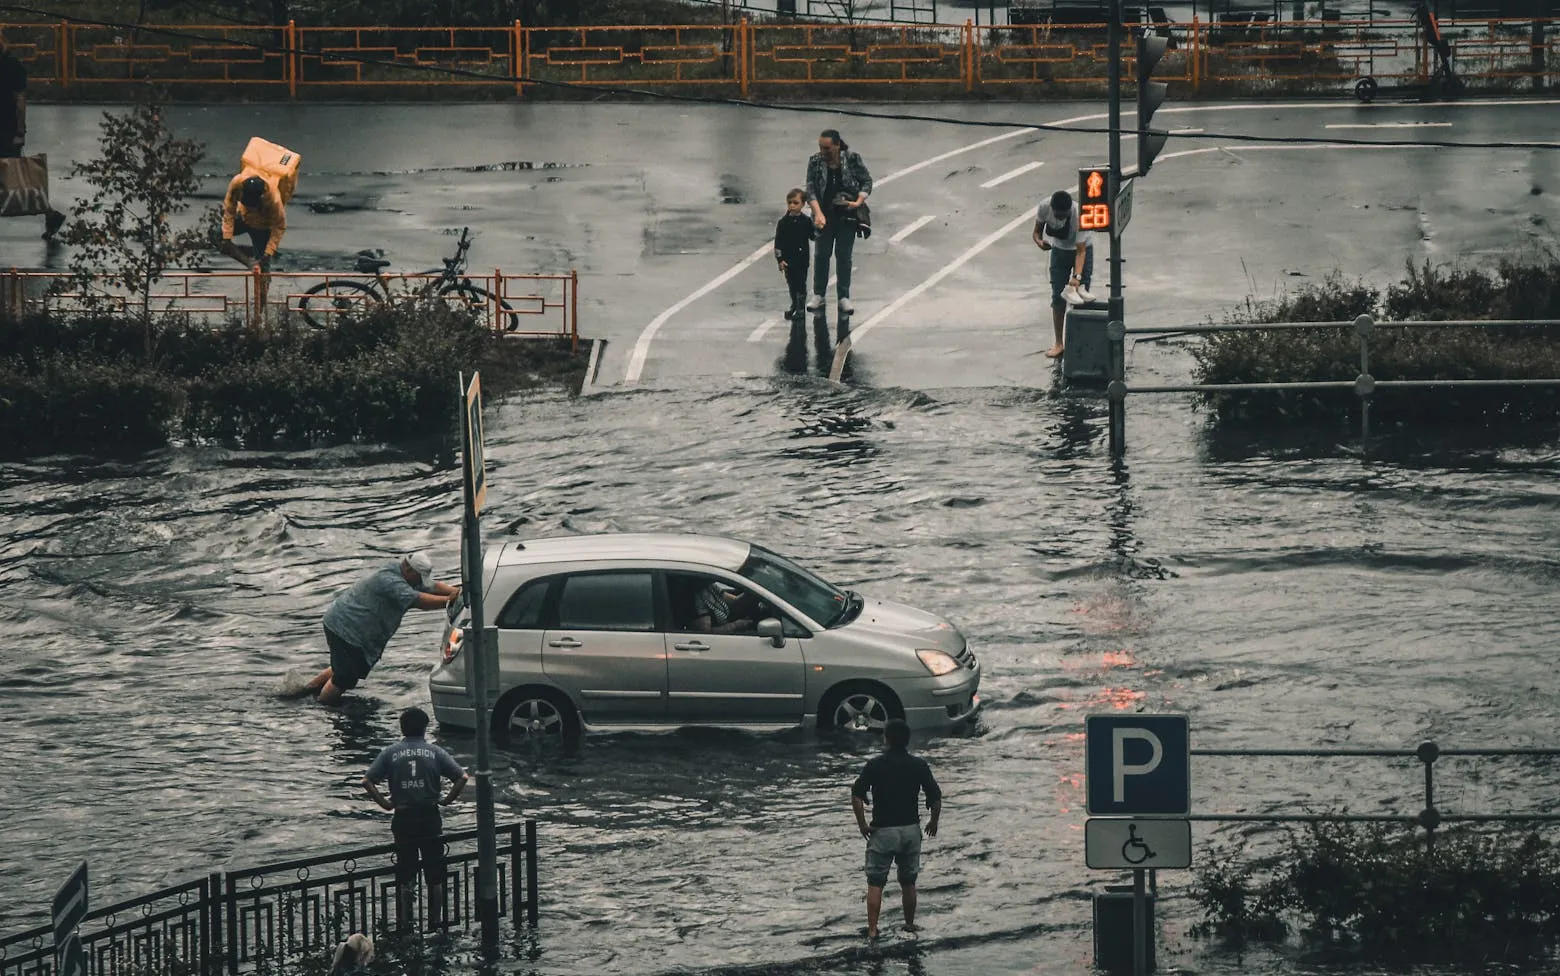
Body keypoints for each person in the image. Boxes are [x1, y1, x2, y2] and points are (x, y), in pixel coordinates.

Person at [301, 552, 460, 705]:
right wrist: (449, 601)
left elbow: (431, 586)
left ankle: (308, 690)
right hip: (346, 628)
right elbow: (418, 601)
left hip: (345, 625)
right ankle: (324, 706)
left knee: (344, 664)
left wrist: (457, 592)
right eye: (419, 578)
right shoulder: (390, 581)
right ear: (409, 569)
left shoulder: (403, 574)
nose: (420, 582)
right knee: (345, 677)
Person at [363, 707, 467, 933]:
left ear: (402, 728)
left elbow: (367, 781)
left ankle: (406, 924)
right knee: (435, 874)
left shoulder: (390, 753)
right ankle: (436, 923)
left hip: (403, 817)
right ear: (425, 727)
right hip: (430, 816)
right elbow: (462, 777)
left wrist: (385, 803)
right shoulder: (435, 752)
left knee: (406, 873)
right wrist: (447, 799)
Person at [851, 717, 942, 940]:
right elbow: (936, 796)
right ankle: (909, 925)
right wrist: (933, 821)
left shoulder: (875, 765)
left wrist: (862, 824)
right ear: (907, 741)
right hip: (910, 830)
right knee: (909, 882)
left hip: (883, 831)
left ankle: (873, 931)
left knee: (875, 883)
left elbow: (856, 795)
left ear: (886, 739)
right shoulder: (919, 765)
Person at [0, 30, 66, 240]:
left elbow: (19, 101)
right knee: (15, 179)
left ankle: (50, 213)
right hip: (8, 129)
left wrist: (19, 131)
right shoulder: (14, 66)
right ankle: (50, 214)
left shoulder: (11, 67)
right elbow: (19, 100)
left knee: (12, 179)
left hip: (6, 130)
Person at [804, 129, 873, 316]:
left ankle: (844, 296)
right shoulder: (815, 162)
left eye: (826, 148)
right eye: (820, 147)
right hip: (824, 215)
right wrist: (817, 213)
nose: (823, 151)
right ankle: (818, 294)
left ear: (837, 145)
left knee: (844, 256)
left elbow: (866, 181)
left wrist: (858, 202)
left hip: (846, 216)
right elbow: (810, 189)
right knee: (821, 255)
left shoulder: (852, 159)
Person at [1032, 188, 1096, 359]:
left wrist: (1077, 277)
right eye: (1058, 216)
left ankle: (1080, 342)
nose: (1061, 219)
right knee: (1058, 296)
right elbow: (1036, 232)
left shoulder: (1078, 215)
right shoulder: (1044, 207)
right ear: (1052, 209)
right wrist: (1040, 242)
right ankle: (1059, 343)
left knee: (1080, 296)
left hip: (1082, 249)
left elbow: (1081, 251)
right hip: (1059, 251)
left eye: (1064, 216)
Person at [774, 188, 815, 323]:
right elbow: (778, 242)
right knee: (791, 283)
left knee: (801, 283)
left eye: (795, 203)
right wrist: (780, 259)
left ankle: (800, 307)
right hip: (788, 259)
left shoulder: (806, 221)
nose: (792, 205)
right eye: (790, 203)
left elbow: (813, 236)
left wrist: (818, 227)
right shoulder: (783, 222)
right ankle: (794, 304)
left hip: (802, 258)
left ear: (803, 204)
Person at [690, 579, 760, 635]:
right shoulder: (696, 600)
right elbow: (705, 633)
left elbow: (734, 601)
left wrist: (752, 592)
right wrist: (736, 625)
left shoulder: (710, 587)